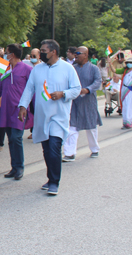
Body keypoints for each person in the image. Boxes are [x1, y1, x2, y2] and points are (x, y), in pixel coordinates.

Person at [18, 40, 81, 195]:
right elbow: (29, 89)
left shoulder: (67, 68)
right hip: (42, 116)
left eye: (44, 50)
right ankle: (50, 178)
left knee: (54, 148)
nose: (41, 53)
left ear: (53, 52)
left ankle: (54, 182)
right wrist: (23, 106)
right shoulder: (37, 69)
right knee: (46, 150)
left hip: (59, 117)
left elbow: (76, 89)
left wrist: (63, 94)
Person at [0, 44, 33, 180]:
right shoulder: (6, 70)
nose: (5, 55)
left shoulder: (27, 69)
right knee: (10, 138)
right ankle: (14, 167)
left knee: (16, 137)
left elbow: (33, 89)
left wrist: (31, 107)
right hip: (6, 108)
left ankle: (20, 167)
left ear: (13, 54)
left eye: (7, 53)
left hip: (19, 109)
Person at [63, 46, 102, 161]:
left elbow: (98, 81)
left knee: (91, 127)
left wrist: (87, 89)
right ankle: (70, 153)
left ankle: (94, 149)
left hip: (88, 102)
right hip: (74, 103)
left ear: (86, 55)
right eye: (75, 53)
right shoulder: (72, 68)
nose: (76, 55)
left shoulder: (94, 68)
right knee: (72, 128)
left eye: (78, 53)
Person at [111, 57, 132, 129]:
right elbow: (114, 70)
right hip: (124, 89)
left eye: (130, 63)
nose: (129, 64)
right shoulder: (124, 70)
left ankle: (131, 121)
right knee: (125, 105)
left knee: (131, 105)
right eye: (128, 63)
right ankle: (125, 122)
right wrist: (110, 63)